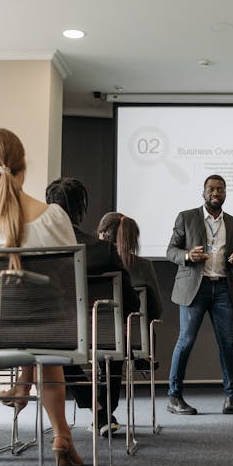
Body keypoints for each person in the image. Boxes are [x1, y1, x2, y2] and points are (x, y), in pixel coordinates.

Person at [0, 129, 84, 466]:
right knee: (47, 346)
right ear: (23, 166)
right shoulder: (53, 215)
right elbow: (67, 282)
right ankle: (61, 433)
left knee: (36, 330)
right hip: (47, 332)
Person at [44, 177, 139, 435]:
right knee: (114, 333)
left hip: (48, 334)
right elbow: (130, 300)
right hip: (99, 333)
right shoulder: (103, 250)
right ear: (81, 211)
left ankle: (94, 406)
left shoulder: (38, 248)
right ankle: (104, 410)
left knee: (55, 347)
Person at [165, 174, 233, 416]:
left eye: (220, 189)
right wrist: (188, 256)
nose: (215, 192)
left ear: (226, 193)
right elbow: (171, 251)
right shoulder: (186, 217)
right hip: (195, 288)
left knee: (228, 344)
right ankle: (174, 397)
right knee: (185, 341)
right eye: (211, 189)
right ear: (203, 192)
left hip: (222, 288)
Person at [97, 211, 163, 431]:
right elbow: (156, 310)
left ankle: (101, 413)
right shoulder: (143, 266)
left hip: (92, 338)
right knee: (120, 343)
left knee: (107, 348)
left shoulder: (91, 265)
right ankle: (141, 358)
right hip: (133, 341)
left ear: (101, 235)